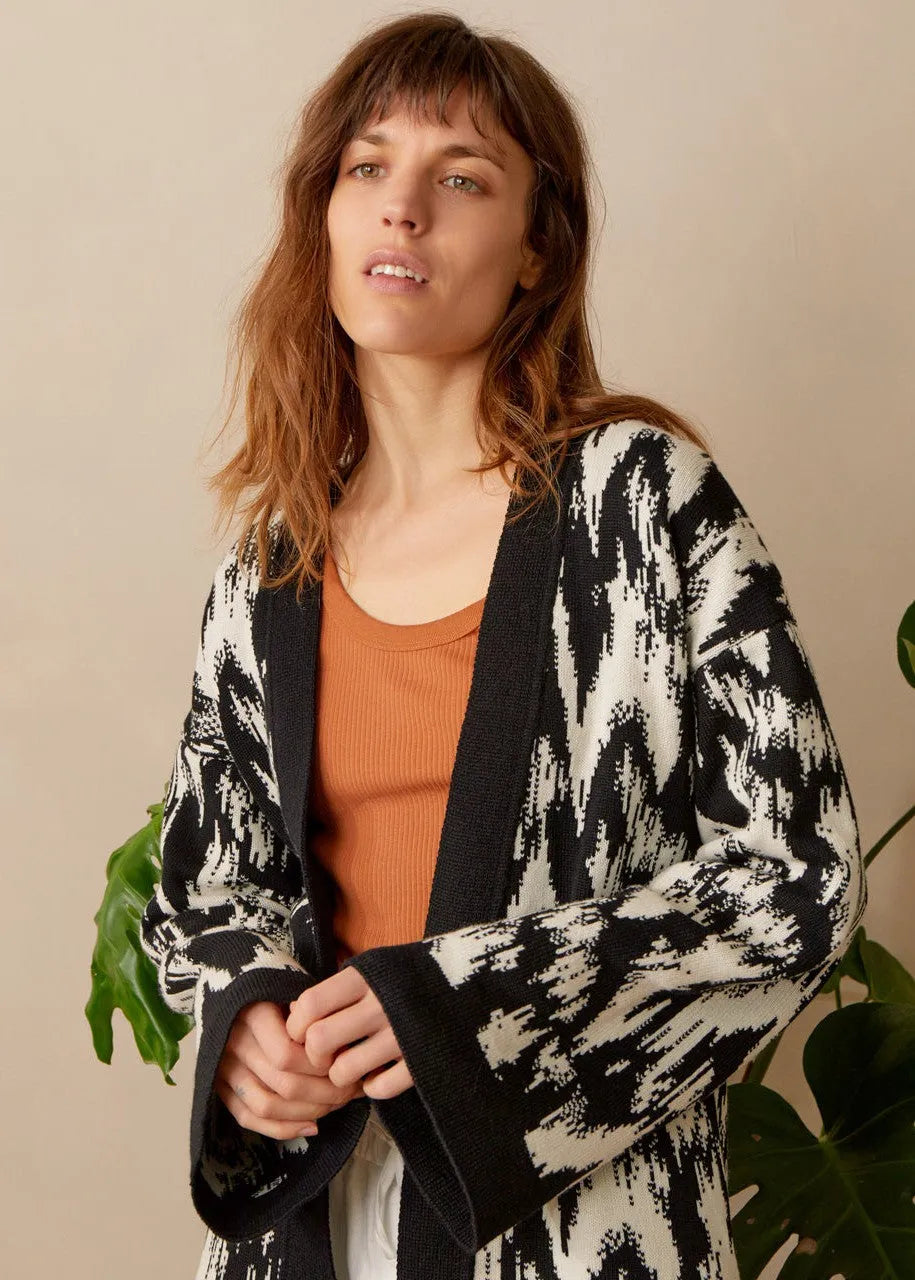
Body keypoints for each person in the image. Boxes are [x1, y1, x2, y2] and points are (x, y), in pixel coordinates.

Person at [140, 12, 867, 1280]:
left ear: (538, 249)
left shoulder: (644, 505)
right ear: (323, 216)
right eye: (368, 166)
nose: (402, 206)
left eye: (463, 177)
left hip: (578, 1223)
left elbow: (797, 875)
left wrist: (461, 1009)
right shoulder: (267, 570)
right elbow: (208, 889)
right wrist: (247, 1021)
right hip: (310, 1215)